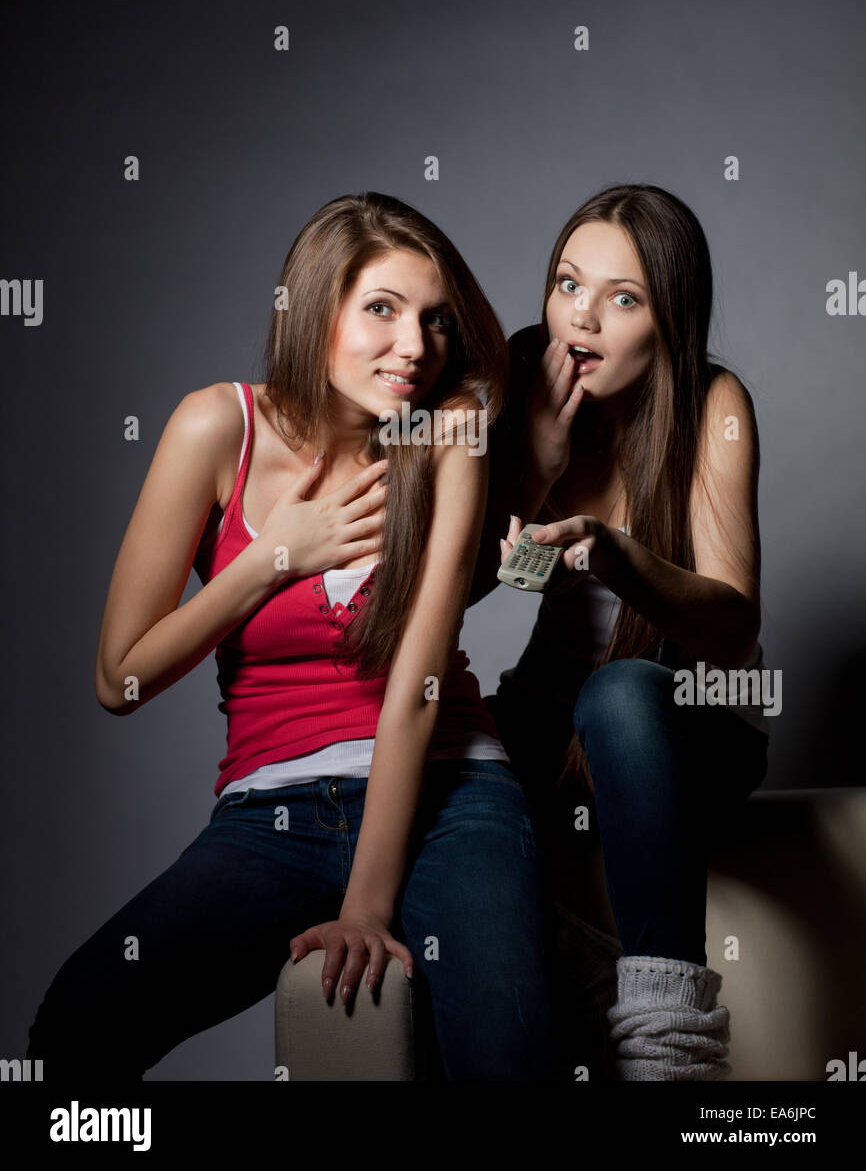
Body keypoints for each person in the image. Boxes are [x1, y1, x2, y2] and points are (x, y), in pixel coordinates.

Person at [26, 192, 556, 1082]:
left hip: (452, 790)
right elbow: (118, 680)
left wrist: (366, 904)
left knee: (504, 1057)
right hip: (270, 813)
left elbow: (419, 687)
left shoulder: (446, 438)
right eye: (381, 310)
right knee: (75, 1033)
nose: (415, 347)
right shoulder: (215, 426)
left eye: (433, 320)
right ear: (316, 310)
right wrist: (273, 556)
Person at [469, 183, 771, 1081]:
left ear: (669, 320)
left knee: (621, 691)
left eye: (623, 298)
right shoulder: (525, 383)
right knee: (439, 754)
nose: (582, 318)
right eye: (568, 284)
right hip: (547, 715)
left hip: (685, 719)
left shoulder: (713, 404)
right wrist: (533, 478)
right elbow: (454, 600)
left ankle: (667, 1043)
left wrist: (620, 554)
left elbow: (733, 630)